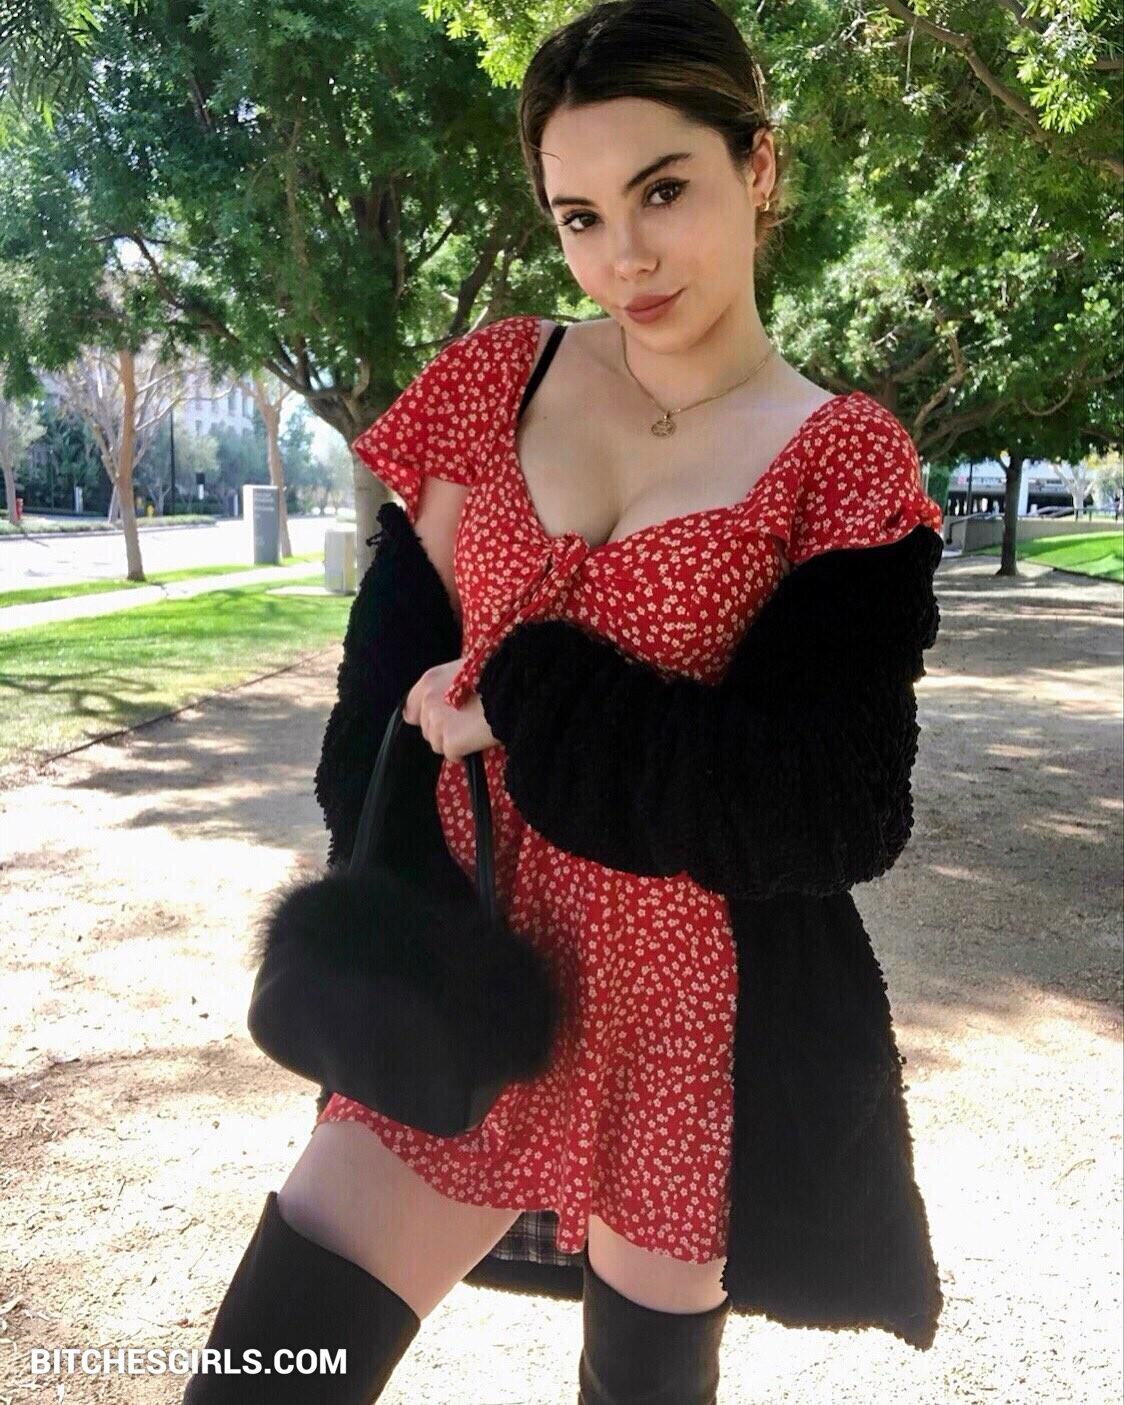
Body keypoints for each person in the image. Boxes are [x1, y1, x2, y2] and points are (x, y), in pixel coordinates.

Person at [182, 1, 945, 1400]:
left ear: (759, 165)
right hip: (468, 960)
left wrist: (527, 698)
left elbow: (835, 806)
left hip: (682, 1009)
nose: (623, 257)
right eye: (579, 216)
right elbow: (379, 689)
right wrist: (392, 851)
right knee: (265, 1377)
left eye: (664, 191)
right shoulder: (498, 375)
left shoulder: (842, 461)